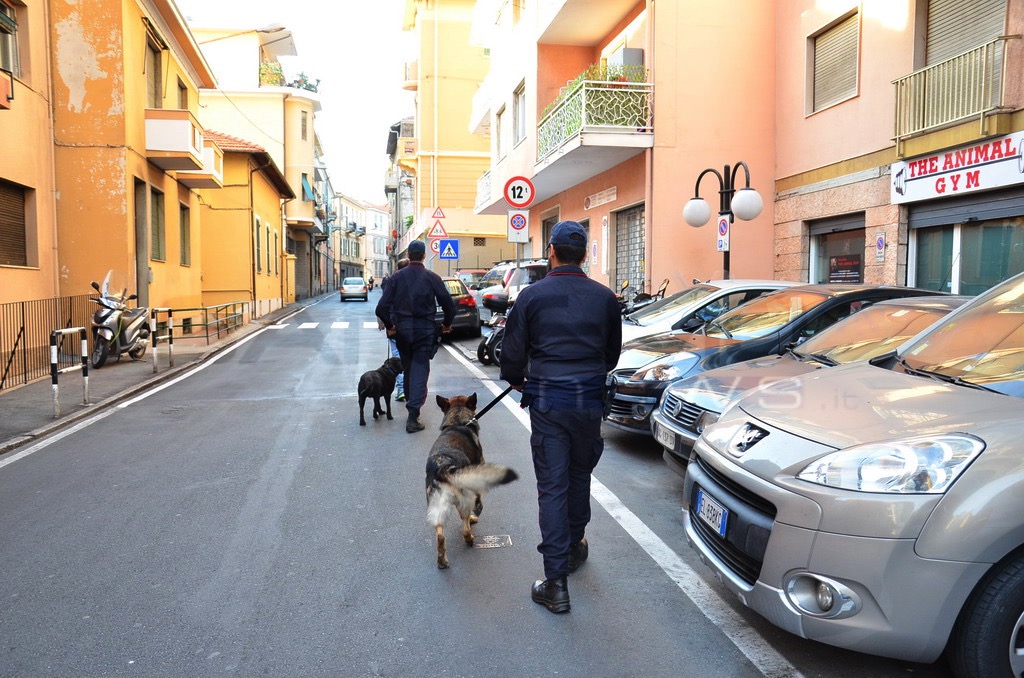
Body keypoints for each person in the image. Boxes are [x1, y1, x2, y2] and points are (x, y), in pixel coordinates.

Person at [499, 220, 622, 614]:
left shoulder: (532, 296)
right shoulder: (605, 298)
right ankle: (573, 546)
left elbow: (511, 356)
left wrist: (519, 378)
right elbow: (611, 355)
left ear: (551, 251)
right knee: (579, 475)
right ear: (584, 255)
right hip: (589, 401)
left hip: (549, 402)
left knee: (553, 486)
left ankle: (555, 583)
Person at [375, 241, 456, 433]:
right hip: (424, 331)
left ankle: (412, 405)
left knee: (409, 369)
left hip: (402, 332)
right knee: (420, 371)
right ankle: (413, 416)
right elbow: (449, 307)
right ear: (424, 255)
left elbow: (381, 308)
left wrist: (390, 326)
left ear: (408, 255)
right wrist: (446, 325)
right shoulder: (432, 278)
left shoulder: (396, 278)